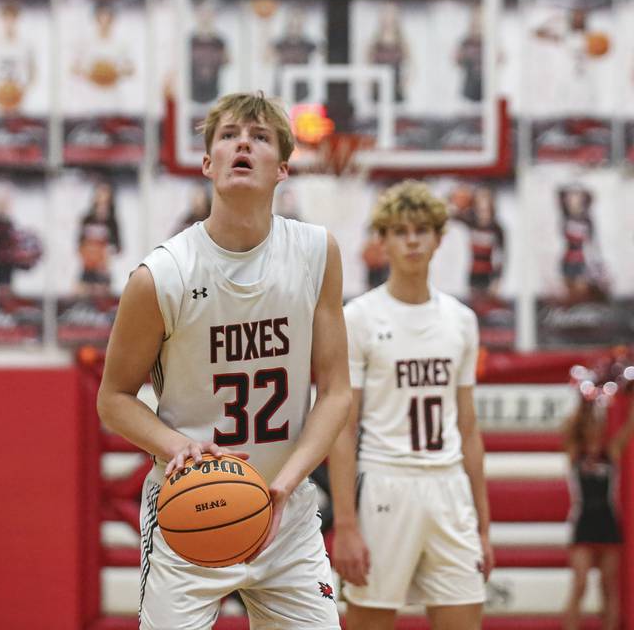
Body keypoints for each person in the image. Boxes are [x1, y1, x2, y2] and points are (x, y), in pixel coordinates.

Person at [96, 91, 351, 629]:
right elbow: (114, 399)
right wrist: (175, 445)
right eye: (230, 135)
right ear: (207, 163)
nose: (244, 144)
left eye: (259, 138)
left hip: (287, 515)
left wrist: (285, 483)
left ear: (282, 167)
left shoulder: (316, 253)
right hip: (190, 506)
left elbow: (336, 393)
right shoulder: (162, 275)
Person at [329, 180, 493, 630]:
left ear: (440, 238)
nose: (412, 240)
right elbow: (343, 428)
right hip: (385, 484)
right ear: (381, 241)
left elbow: (470, 427)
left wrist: (483, 525)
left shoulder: (461, 320)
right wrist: (345, 523)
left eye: (422, 230)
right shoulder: (358, 317)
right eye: (400, 231)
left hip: (449, 487)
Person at [563, 386, 634, 630]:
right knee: (580, 582)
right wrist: (586, 398)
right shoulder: (575, 453)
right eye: (590, 425)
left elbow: (629, 427)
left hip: (607, 520)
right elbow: (569, 428)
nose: (595, 430)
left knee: (608, 585)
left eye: (598, 425)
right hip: (582, 520)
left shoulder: (610, 452)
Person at [77, 179, 121, 296]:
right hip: (86, 269)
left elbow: (118, 246)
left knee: (101, 298)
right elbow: (79, 243)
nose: (102, 197)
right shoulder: (87, 219)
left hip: (103, 270)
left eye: (105, 193)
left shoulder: (112, 222)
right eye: (100, 193)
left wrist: (107, 253)